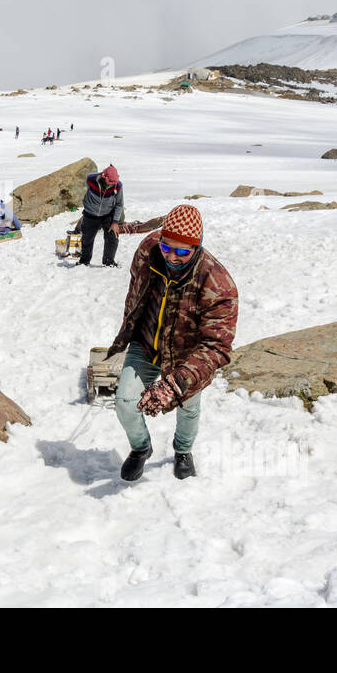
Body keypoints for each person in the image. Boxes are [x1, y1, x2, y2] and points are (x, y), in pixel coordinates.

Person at [106, 204, 238, 482]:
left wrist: (175, 383)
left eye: (182, 251)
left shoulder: (218, 285)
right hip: (146, 343)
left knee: (188, 407)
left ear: (197, 247)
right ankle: (141, 448)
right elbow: (135, 294)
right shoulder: (149, 251)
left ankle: (183, 451)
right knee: (124, 402)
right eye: (168, 248)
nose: (173, 257)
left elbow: (217, 347)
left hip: (186, 357)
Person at [78, 164, 124, 267]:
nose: (113, 184)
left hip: (108, 215)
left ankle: (109, 261)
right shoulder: (91, 179)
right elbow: (87, 190)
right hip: (90, 214)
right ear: (104, 176)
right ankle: (84, 261)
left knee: (112, 238)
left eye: (115, 181)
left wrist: (115, 222)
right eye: (110, 181)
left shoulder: (118, 186)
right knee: (87, 238)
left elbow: (119, 204)